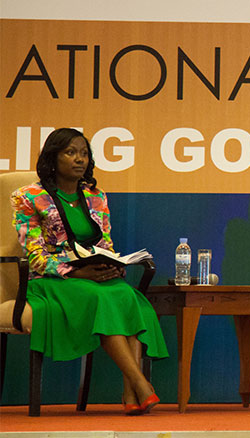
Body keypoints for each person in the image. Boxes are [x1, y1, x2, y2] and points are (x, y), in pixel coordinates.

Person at [11, 128, 168, 415]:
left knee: (126, 297)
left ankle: (131, 396)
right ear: (53, 158)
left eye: (84, 153)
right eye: (70, 152)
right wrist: (76, 272)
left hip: (93, 276)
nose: (79, 159)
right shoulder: (28, 197)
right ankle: (138, 383)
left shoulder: (95, 196)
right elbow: (34, 255)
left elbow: (104, 243)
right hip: (51, 280)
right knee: (106, 299)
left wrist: (108, 265)